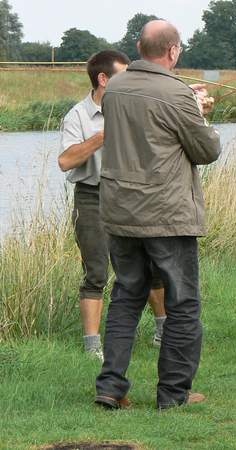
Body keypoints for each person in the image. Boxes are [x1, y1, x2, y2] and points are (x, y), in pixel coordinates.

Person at [95, 20, 221, 410]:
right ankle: (173, 394)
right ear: (172, 52)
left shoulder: (114, 88)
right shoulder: (178, 93)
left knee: (126, 297)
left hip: (120, 210)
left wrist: (186, 103)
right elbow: (206, 151)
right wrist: (199, 112)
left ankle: (110, 388)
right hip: (166, 213)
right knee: (182, 304)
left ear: (139, 46)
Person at [58, 49, 167, 361]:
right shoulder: (77, 116)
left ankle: (162, 329)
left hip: (131, 195)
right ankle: (92, 347)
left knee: (149, 266)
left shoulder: (134, 106)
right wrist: (102, 137)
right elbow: (65, 161)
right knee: (95, 271)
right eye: (124, 76)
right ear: (103, 79)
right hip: (91, 197)